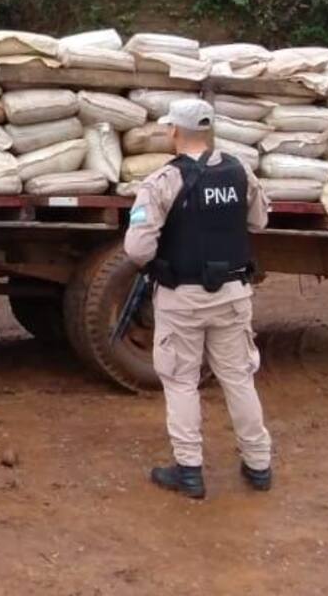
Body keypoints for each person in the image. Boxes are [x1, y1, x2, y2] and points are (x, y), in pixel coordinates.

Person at [123, 98, 272, 499]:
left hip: (182, 297)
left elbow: (137, 249)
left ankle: (189, 470)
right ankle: (258, 465)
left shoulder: (162, 181)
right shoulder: (240, 171)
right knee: (238, 378)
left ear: (174, 131)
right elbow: (259, 220)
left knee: (181, 381)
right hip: (233, 292)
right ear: (208, 131)